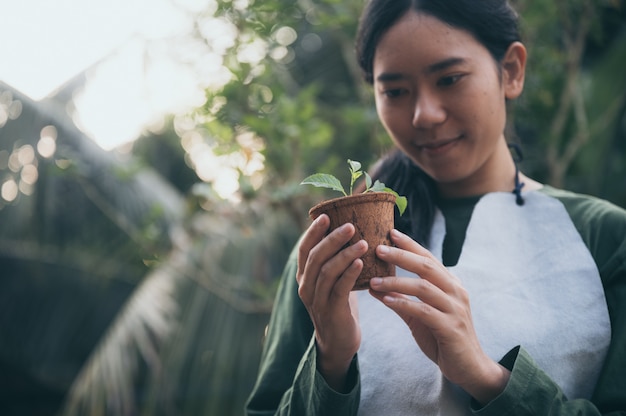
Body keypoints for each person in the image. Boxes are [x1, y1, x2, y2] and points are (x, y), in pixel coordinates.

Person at [245, 0, 626, 414]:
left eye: (449, 78)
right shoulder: (333, 251)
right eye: (394, 91)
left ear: (511, 71)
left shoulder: (604, 237)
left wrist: (485, 377)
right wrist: (331, 360)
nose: (424, 114)